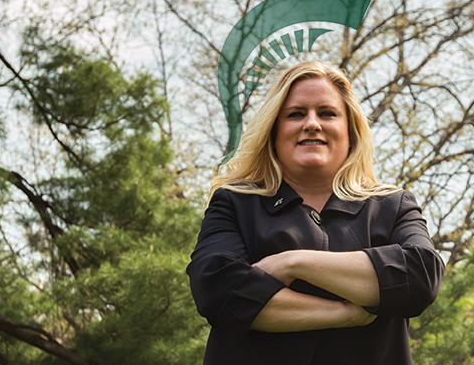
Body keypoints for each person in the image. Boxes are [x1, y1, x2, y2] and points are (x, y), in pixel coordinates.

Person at [186, 61, 445, 365]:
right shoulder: (234, 203)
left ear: (350, 131)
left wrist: (292, 263)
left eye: (327, 113)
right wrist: (345, 314)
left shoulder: (391, 206)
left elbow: (421, 275)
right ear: (273, 130)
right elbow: (218, 289)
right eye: (296, 114)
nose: (312, 123)